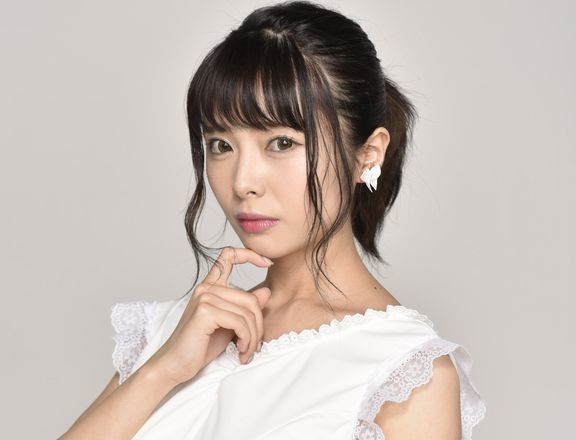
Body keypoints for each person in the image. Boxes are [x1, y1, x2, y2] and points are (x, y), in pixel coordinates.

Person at [59, 1, 486, 439]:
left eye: (281, 143)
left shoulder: (404, 373)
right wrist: (163, 370)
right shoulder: (180, 330)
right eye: (221, 145)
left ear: (368, 154)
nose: (243, 181)